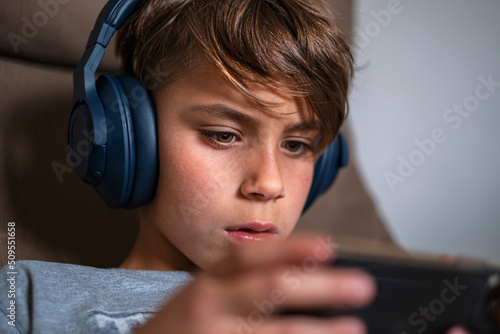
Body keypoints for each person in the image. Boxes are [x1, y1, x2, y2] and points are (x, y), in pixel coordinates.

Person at [0, 0, 487, 333]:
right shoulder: (24, 297)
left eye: (297, 145)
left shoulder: (355, 309)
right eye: (223, 135)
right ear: (129, 139)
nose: (269, 184)